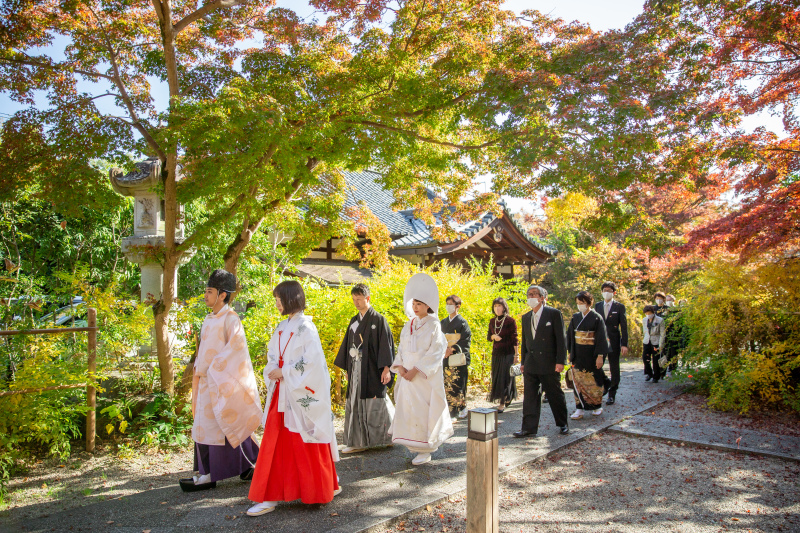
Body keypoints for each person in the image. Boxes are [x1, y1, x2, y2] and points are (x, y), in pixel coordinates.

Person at [247, 280, 340, 516]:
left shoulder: (307, 328)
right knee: (275, 443)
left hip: (297, 393)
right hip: (282, 391)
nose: (277, 303)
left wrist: (285, 371)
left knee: (305, 441)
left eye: (280, 299)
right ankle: (269, 496)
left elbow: (312, 362)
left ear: (290, 299)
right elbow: (272, 355)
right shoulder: (281, 326)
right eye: (276, 300)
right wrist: (273, 369)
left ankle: (316, 492)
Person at [181, 269, 262, 493]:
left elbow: (236, 351)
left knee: (228, 422)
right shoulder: (209, 319)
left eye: (209, 291)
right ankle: (230, 468)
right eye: (206, 291)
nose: (205, 295)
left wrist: (213, 368)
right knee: (206, 425)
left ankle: (220, 471)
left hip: (221, 382)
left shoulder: (231, 319)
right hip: (206, 382)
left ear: (222, 295)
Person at [389, 273, 454, 465]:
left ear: (428, 305)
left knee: (424, 411)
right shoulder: (408, 325)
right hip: (407, 376)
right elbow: (401, 348)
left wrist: (416, 369)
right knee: (410, 410)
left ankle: (425, 449)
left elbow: (436, 352)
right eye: (414, 303)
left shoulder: (434, 325)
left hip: (423, 377)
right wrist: (400, 367)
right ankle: (414, 445)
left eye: (419, 304)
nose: (415, 307)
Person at [333, 283, 395, 453]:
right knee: (355, 400)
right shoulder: (354, 321)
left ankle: (385, 437)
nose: (356, 302)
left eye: (359, 299)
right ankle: (356, 440)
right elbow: (348, 346)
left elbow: (386, 346)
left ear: (368, 298)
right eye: (354, 299)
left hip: (373, 368)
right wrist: (348, 369)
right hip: (356, 366)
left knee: (376, 400)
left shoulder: (379, 320)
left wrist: (387, 369)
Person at [514, 285, 569, 438]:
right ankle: (528, 428)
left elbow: (561, 340)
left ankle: (562, 423)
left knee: (554, 394)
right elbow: (525, 342)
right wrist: (523, 362)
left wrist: (560, 361)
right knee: (530, 397)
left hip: (549, 362)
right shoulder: (526, 317)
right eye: (528, 294)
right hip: (531, 363)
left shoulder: (553, 314)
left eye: (534, 294)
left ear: (542, 297)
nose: (531, 297)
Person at [567, 291, 611, 419]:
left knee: (593, 380)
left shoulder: (597, 318)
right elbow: (570, 336)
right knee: (578, 381)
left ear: (589, 303)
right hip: (578, 353)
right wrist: (570, 352)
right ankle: (579, 408)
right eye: (578, 303)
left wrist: (600, 356)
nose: (579, 305)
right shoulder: (575, 317)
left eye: (582, 302)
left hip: (592, 354)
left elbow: (601, 338)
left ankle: (596, 405)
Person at [595, 281, 628, 405]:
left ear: (614, 292)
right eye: (605, 290)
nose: (607, 293)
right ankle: (605, 383)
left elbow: (624, 326)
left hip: (614, 341)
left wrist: (624, 344)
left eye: (609, 291)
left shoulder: (619, 306)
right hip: (600, 341)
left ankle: (612, 393)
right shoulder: (598, 306)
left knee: (614, 367)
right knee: (597, 365)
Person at [441, 295, 472, 421]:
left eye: (451, 304)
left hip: (457, 356)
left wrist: (452, 348)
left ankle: (457, 411)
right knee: (447, 384)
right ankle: (452, 410)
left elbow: (465, 340)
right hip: (445, 356)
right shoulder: (443, 322)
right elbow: (439, 338)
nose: (448, 306)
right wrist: (444, 349)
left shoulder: (463, 322)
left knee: (457, 384)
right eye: (447, 304)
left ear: (458, 306)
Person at [487, 297, 518, 413]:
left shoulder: (510, 321)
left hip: (508, 353)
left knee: (505, 377)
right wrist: (493, 336)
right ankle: (505, 397)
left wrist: (516, 355)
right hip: (496, 353)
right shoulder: (492, 321)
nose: (497, 308)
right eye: (495, 306)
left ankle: (502, 402)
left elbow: (515, 339)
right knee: (497, 377)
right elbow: (488, 337)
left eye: (499, 306)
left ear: (504, 307)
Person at [641, 304, 666, 383]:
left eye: (649, 313)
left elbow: (662, 333)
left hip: (656, 341)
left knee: (655, 360)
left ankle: (656, 376)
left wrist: (661, 344)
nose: (648, 315)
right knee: (645, 358)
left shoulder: (660, 320)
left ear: (653, 312)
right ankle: (649, 373)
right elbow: (645, 331)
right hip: (647, 341)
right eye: (646, 313)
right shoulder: (644, 320)